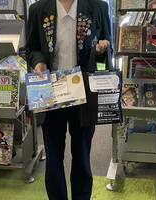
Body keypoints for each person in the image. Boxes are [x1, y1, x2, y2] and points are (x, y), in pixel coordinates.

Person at [26, 0, 110, 199]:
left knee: (82, 155)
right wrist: (38, 61)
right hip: (51, 93)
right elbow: (31, 48)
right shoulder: (38, 9)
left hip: (83, 94)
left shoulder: (98, 7)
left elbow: (106, 48)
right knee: (53, 158)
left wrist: (101, 49)